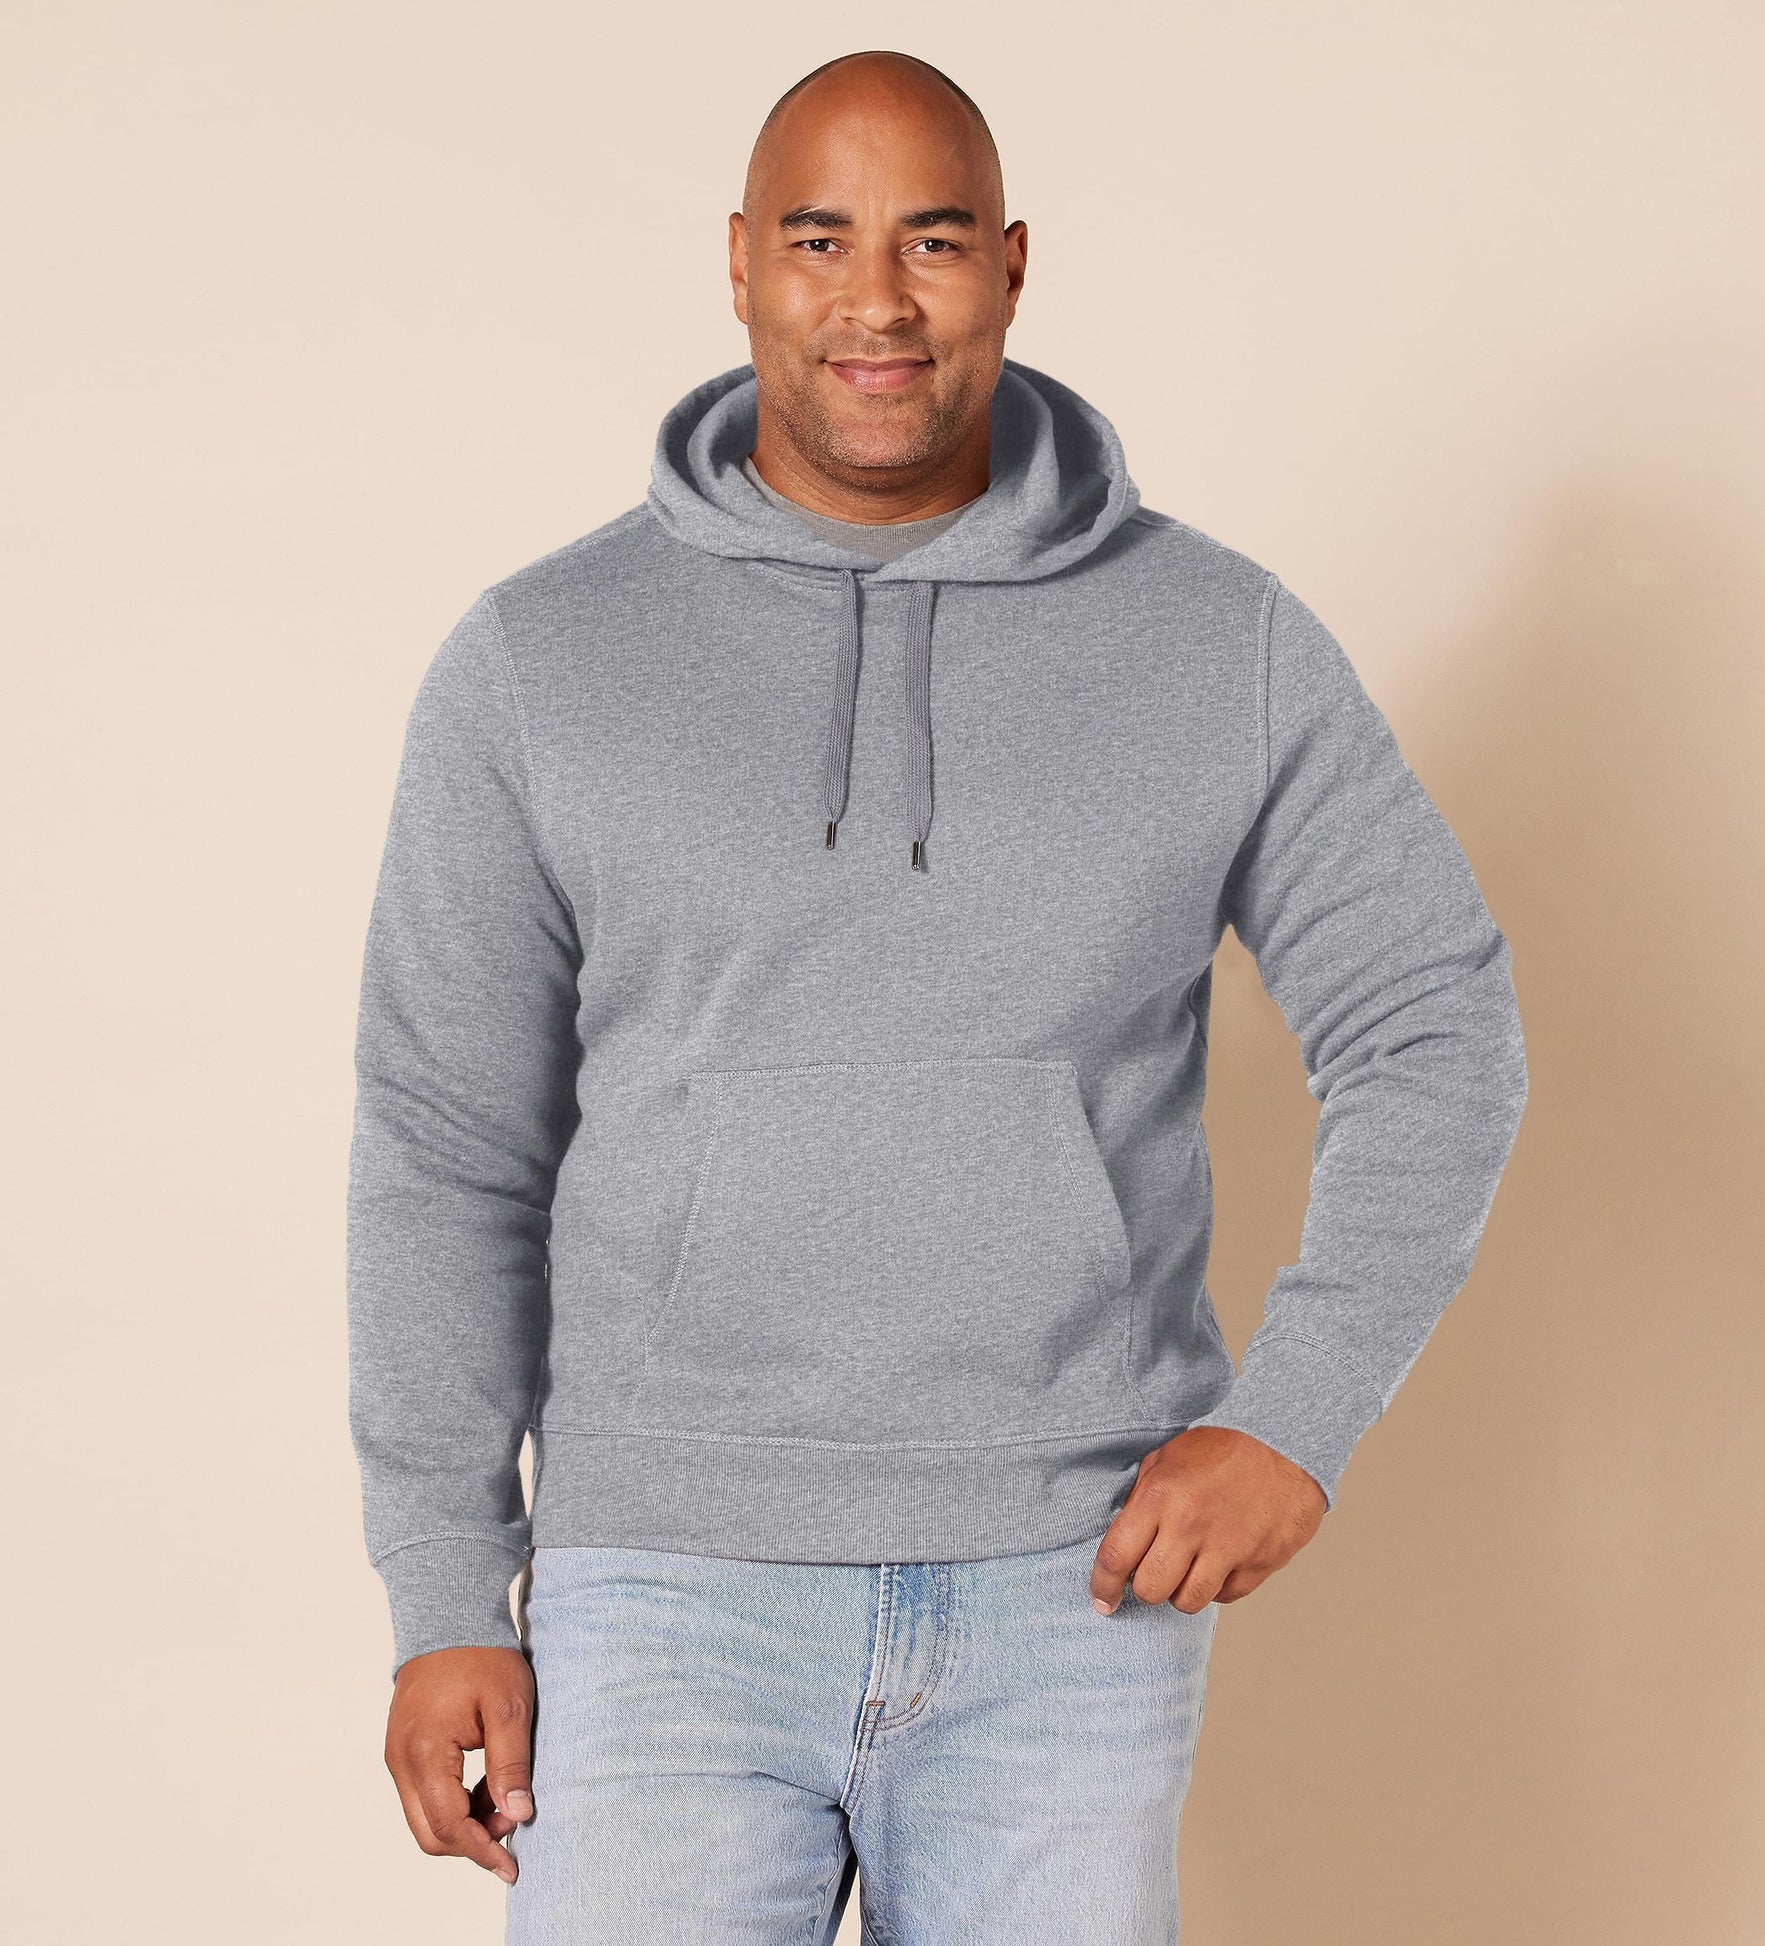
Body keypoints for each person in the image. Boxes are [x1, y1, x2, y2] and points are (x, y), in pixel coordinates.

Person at [345, 47, 1529, 1945]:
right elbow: (444, 1143)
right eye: (821, 238)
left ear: (1013, 266)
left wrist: (1295, 1415)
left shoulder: (1215, 640)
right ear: (741, 263)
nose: (877, 300)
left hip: (1070, 1589)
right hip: (660, 1587)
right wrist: (442, 1591)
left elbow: (1433, 1028)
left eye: (936, 239)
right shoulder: (541, 660)